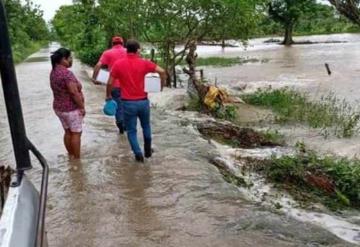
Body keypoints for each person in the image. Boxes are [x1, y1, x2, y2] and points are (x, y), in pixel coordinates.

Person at [108, 39, 167, 162]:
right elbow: (162, 71)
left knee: (131, 130)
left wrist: (108, 96)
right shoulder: (145, 63)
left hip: (127, 103)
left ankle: (138, 154)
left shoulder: (118, 64)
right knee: (146, 126)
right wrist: (161, 85)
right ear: (138, 50)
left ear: (126, 49)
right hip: (143, 102)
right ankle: (147, 150)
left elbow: (110, 82)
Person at [50, 48, 85, 159]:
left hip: (59, 108)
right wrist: (82, 107)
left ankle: (71, 156)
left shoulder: (54, 71)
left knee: (68, 132)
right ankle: (77, 160)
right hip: (71, 110)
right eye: (69, 58)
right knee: (76, 133)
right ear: (63, 59)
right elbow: (73, 92)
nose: (71, 60)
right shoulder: (66, 74)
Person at [92, 36, 126, 133]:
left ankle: (120, 124)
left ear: (112, 44)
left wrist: (94, 78)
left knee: (118, 105)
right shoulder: (128, 51)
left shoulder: (107, 53)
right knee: (128, 104)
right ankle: (127, 125)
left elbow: (98, 65)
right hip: (128, 85)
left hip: (113, 84)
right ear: (122, 43)